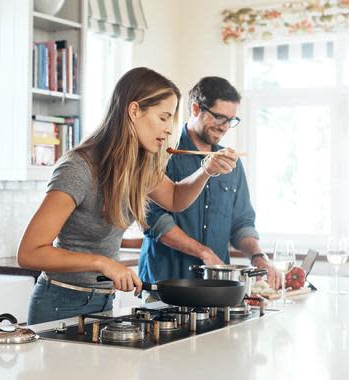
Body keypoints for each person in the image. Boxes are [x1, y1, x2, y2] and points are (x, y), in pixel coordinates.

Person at [18, 68, 238, 325]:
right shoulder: (79, 168)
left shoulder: (137, 167)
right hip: (60, 303)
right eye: (164, 117)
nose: (169, 130)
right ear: (134, 111)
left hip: (102, 302)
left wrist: (207, 170)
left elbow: (176, 198)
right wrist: (102, 263)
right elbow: (29, 253)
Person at [138, 76, 281, 293]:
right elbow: (153, 220)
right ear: (196, 109)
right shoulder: (160, 153)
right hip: (164, 283)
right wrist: (204, 252)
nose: (225, 127)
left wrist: (258, 257)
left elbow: (241, 222)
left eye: (231, 120)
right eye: (219, 118)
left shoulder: (231, 163)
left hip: (216, 288)